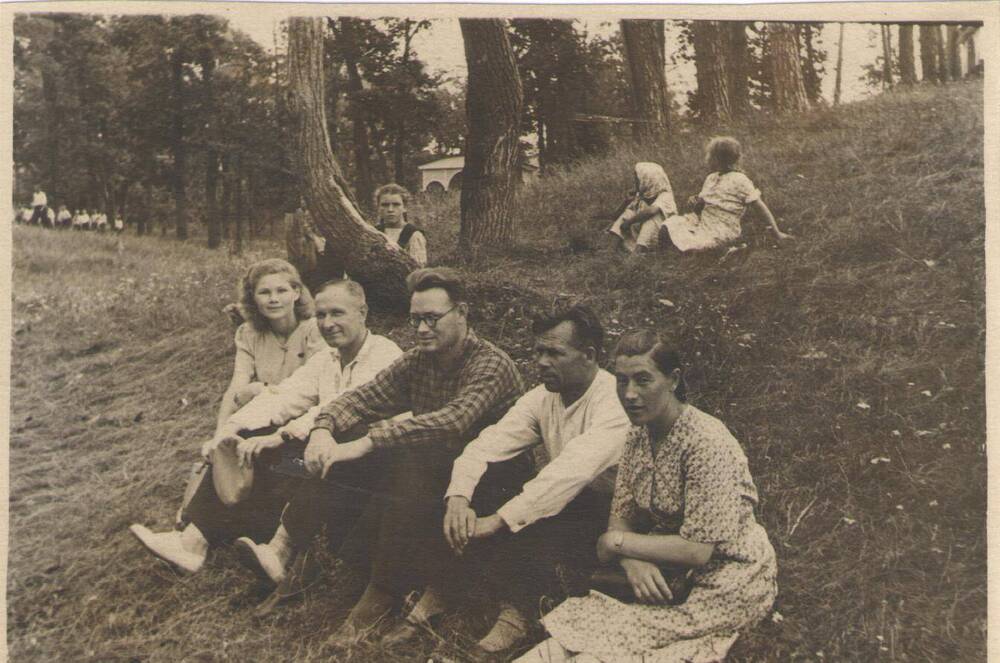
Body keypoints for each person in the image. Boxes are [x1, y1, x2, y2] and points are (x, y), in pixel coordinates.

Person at [236, 267, 525, 645]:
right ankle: (309, 562)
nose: (421, 329)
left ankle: (380, 594)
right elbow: (362, 398)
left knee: (400, 461)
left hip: (492, 481)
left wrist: (368, 441)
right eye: (415, 319)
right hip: (437, 467)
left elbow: (453, 421)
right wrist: (324, 430)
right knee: (357, 454)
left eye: (432, 319)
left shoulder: (490, 363)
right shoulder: (419, 359)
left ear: (463, 313)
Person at [517, 330, 778, 663]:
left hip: (725, 579)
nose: (630, 394)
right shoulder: (638, 435)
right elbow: (620, 518)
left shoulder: (707, 443)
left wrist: (615, 546)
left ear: (673, 380)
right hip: (665, 573)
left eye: (643, 381)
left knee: (604, 648)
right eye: (621, 381)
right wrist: (631, 559)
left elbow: (698, 549)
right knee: (575, 637)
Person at [383, 305, 629, 657]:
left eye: (555, 353)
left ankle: (517, 617)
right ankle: (441, 590)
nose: (542, 362)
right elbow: (484, 446)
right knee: (486, 480)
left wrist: (497, 521)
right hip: (565, 497)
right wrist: (458, 500)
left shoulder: (613, 402)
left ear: (589, 355)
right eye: (539, 352)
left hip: (612, 515)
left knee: (542, 516)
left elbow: (570, 473)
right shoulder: (543, 396)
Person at [128, 279, 401, 573]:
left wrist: (280, 436)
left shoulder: (384, 354)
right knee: (247, 440)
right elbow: (284, 396)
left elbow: (342, 407)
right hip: (319, 453)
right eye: (321, 315)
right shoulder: (327, 358)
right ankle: (194, 542)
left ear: (363, 312)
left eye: (337, 313)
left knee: (291, 446)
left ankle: (280, 550)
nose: (328, 323)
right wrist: (231, 429)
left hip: (367, 463)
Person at [214, 259, 327, 434]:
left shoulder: (315, 330)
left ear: (296, 292)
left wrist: (260, 390)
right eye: (264, 292)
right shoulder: (248, 333)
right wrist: (219, 433)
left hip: (305, 420)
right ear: (253, 297)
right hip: (265, 417)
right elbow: (237, 386)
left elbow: (314, 387)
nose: (274, 299)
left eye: (282, 291)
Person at [662, 136, 793, 253]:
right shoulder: (711, 178)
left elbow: (759, 207)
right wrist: (696, 202)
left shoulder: (740, 180)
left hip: (723, 227)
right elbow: (701, 206)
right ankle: (680, 248)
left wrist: (777, 233)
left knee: (699, 245)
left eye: (709, 155)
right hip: (704, 222)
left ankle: (718, 250)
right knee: (669, 225)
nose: (706, 158)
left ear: (718, 159)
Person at [607, 163, 678, 254]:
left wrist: (629, 222)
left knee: (653, 218)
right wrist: (626, 202)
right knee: (629, 213)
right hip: (640, 231)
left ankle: (637, 253)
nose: (636, 181)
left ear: (648, 180)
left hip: (660, 235)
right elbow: (615, 216)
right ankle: (611, 250)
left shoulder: (665, 195)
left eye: (638, 179)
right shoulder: (644, 194)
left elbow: (651, 211)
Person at [375, 183, 428, 267]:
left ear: (405, 207)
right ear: (378, 207)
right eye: (385, 205)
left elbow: (417, 271)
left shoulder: (413, 235)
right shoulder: (374, 233)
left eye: (396, 205)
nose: (390, 209)